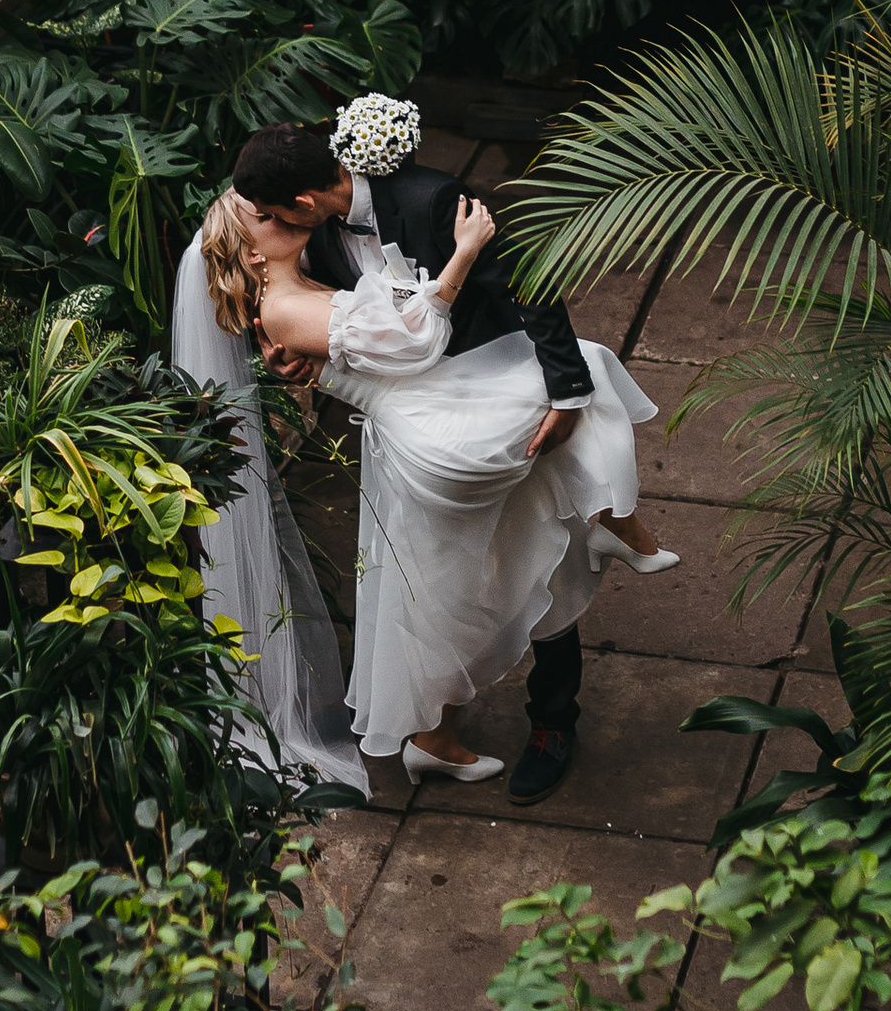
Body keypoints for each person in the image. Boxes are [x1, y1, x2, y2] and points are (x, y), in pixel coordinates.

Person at [228, 105, 665, 799]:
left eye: (277, 217)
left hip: (493, 393)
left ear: (304, 202)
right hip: (424, 432)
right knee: (436, 589)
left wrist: (562, 392)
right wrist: (306, 359)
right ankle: (435, 730)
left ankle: (552, 721)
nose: (274, 229)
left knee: (542, 553)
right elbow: (351, 329)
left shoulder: (432, 198)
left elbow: (532, 283)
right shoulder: (305, 243)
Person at [169, 205, 366, 798]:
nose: (289, 216)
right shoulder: (275, 299)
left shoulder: (262, 232)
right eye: (269, 216)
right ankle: (262, 707)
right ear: (250, 248)